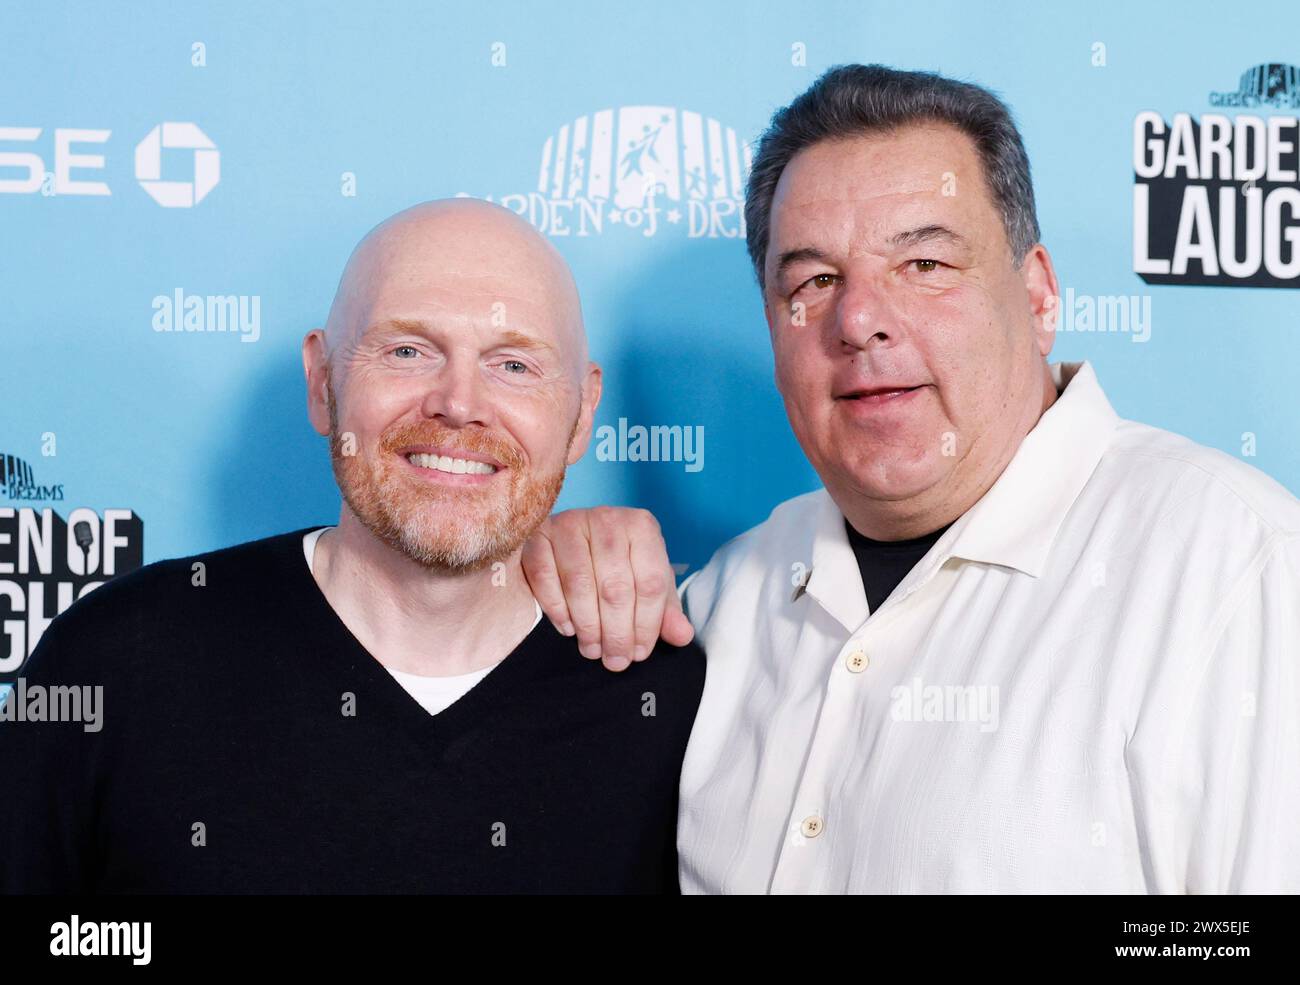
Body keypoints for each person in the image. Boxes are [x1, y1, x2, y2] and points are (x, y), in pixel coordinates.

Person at [521, 65, 1300, 892]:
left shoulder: (1232, 564)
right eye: (814, 281)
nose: (859, 321)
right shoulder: (722, 602)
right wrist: (539, 569)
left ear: (1038, 296)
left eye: (924, 263)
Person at [0, 199, 704, 893]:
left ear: (582, 415)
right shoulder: (116, 660)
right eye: (407, 351)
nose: (458, 404)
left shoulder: (671, 698)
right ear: (322, 381)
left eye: (514, 364)